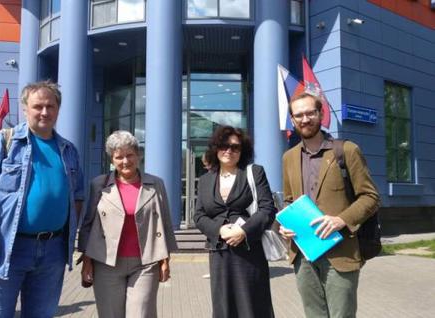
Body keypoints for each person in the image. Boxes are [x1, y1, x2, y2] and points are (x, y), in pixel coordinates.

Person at [0, 81, 84, 317]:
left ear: (58, 109)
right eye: (38, 106)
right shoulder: (2, 143)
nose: (45, 112)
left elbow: (77, 197)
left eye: (51, 106)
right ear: (25, 109)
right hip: (7, 248)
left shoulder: (69, 150)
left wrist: (70, 235)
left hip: (52, 251)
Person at [279, 92, 380, 318]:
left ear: (321, 114)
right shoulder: (289, 157)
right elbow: (289, 200)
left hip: (340, 252)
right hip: (303, 253)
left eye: (310, 113)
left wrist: (341, 220)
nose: (305, 119)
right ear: (293, 120)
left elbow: (371, 197)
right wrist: (285, 225)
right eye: (299, 115)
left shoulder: (346, 150)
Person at [78, 130, 177, 318]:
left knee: (141, 314)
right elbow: (88, 224)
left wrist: (166, 259)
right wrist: (86, 261)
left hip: (146, 263)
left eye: (129, 155)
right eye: (119, 157)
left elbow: (164, 223)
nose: (125, 161)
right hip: (106, 262)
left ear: (138, 155)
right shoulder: (99, 184)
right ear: (112, 160)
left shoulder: (156, 184)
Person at [194, 125, 277, 318]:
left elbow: (267, 209)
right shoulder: (206, 180)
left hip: (249, 253)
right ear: (216, 148)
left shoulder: (254, 172)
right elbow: (198, 216)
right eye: (224, 145)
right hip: (220, 254)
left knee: (253, 306)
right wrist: (219, 230)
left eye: (235, 147)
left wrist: (244, 231)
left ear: (242, 151)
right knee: (224, 307)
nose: (229, 151)